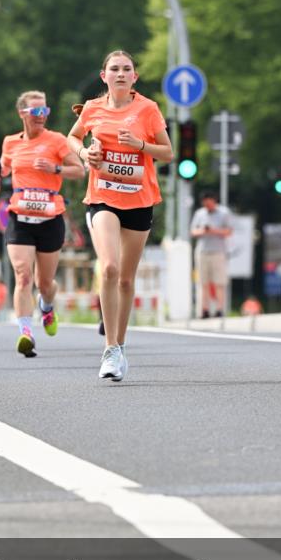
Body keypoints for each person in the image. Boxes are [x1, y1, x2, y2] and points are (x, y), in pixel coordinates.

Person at [67, 50, 173, 381]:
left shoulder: (148, 109)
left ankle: (121, 345)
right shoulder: (92, 108)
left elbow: (168, 153)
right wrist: (85, 153)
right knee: (109, 268)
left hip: (139, 200)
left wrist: (140, 145)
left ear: (134, 77)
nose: (121, 74)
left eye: (127, 69)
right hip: (103, 198)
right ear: (105, 76)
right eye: (115, 69)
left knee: (126, 279)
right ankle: (109, 349)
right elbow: (72, 137)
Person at [0, 90, 84, 357]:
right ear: (22, 113)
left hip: (49, 219)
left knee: (44, 283)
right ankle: (26, 333)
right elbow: (3, 168)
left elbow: (79, 170)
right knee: (23, 275)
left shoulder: (56, 140)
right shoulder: (10, 142)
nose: (41, 116)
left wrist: (55, 169)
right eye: (36, 111)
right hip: (20, 218)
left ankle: (46, 306)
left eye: (45, 111)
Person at [190, 191, 233, 318]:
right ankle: (204, 309)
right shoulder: (200, 214)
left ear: (214, 201)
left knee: (219, 282)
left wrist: (214, 230)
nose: (207, 206)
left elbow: (229, 231)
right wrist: (203, 230)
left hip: (218, 251)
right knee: (203, 282)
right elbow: (193, 231)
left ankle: (219, 309)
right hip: (203, 251)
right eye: (205, 204)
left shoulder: (224, 213)